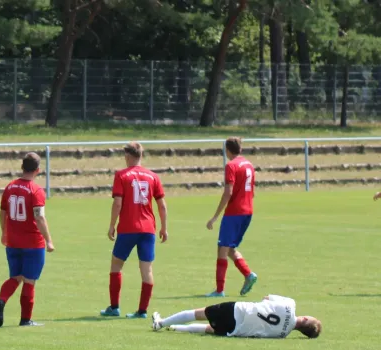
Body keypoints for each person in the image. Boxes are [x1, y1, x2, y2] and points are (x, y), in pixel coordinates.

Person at [100, 142, 168, 319]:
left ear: (128, 156)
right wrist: (164, 228)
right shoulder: (153, 176)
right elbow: (162, 205)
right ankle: (142, 311)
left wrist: (111, 225)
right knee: (146, 270)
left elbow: (117, 203)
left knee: (116, 265)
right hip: (148, 229)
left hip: (128, 228)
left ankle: (114, 307)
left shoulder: (122, 175)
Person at [0, 152, 55, 327]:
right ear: (38, 170)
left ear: (22, 167)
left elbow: (2, 212)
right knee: (29, 280)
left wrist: (4, 232)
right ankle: (25, 320)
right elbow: (39, 217)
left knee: (15, 277)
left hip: (12, 241)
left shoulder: (10, 187)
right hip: (32, 243)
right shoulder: (36, 191)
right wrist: (49, 240)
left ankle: (2, 300)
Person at [206, 137, 257, 297]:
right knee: (229, 248)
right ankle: (249, 275)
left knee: (222, 249)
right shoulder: (249, 165)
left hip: (235, 212)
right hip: (248, 211)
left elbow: (228, 191)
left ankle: (219, 290)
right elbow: (252, 191)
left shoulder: (231, 165)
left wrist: (215, 217)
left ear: (227, 150)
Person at [151, 294, 322, 339]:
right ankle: (173, 327)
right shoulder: (283, 335)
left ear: (306, 319)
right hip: (236, 330)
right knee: (208, 329)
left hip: (238, 310)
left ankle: (161, 322)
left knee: (198, 313)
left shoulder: (290, 304)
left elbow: (266, 298)